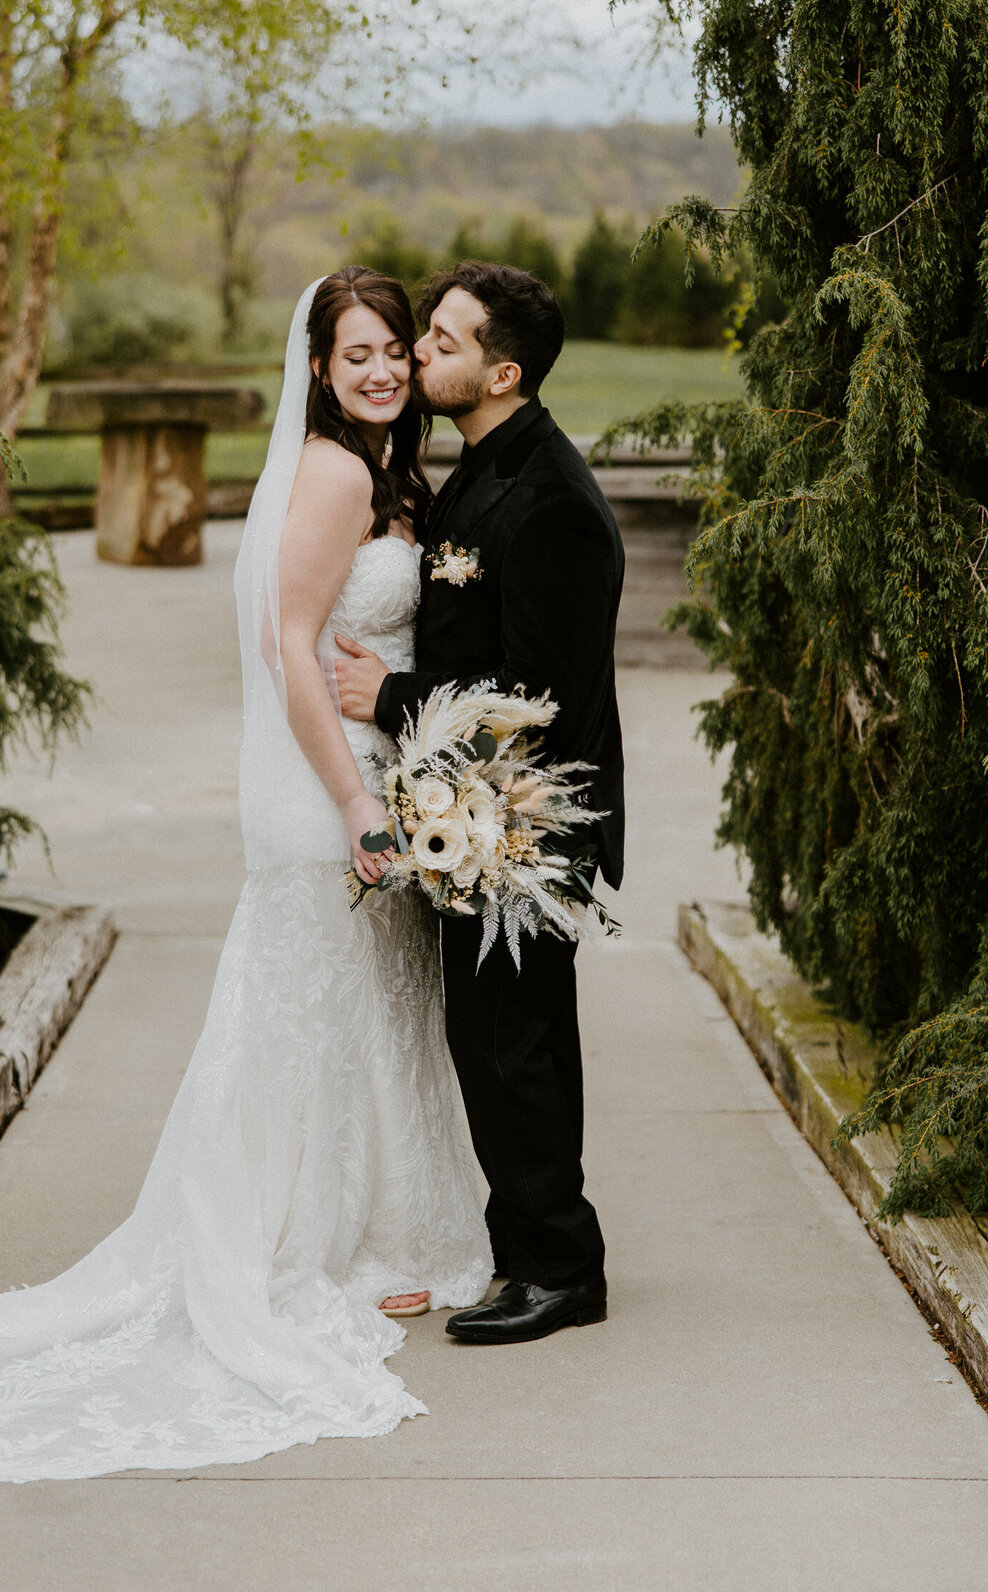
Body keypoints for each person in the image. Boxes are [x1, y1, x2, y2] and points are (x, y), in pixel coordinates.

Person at [0, 268, 491, 1482]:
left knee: (360, 1013)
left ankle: (368, 1236)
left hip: (365, 765)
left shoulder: (380, 473)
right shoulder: (336, 474)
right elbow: (289, 643)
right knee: (312, 1017)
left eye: (395, 349)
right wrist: (348, 798)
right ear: (320, 373)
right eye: (358, 356)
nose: (383, 370)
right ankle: (307, 1248)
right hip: (325, 782)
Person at [335, 261, 625, 1345]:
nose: (418, 355)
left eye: (444, 342)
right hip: (474, 814)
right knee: (503, 1039)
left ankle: (559, 1269)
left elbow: (538, 703)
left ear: (502, 371)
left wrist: (391, 694)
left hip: (526, 825)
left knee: (514, 1045)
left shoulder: (548, 500)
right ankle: (536, 1249)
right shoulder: (479, 468)